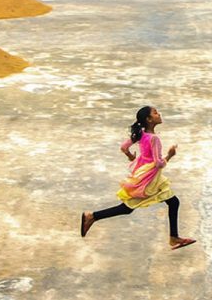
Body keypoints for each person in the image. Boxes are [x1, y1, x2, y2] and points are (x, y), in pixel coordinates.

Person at [80, 106, 196, 250]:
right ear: (149, 119)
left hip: (142, 172)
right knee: (128, 207)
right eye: (155, 113)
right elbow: (159, 163)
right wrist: (170, 155)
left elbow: (124, 147)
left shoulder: (140, 134)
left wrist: (130, 157)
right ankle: (92, 216)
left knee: (173, 202)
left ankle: (174, 237)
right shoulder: (154, 139)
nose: (159, 114)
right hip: (149, 177)